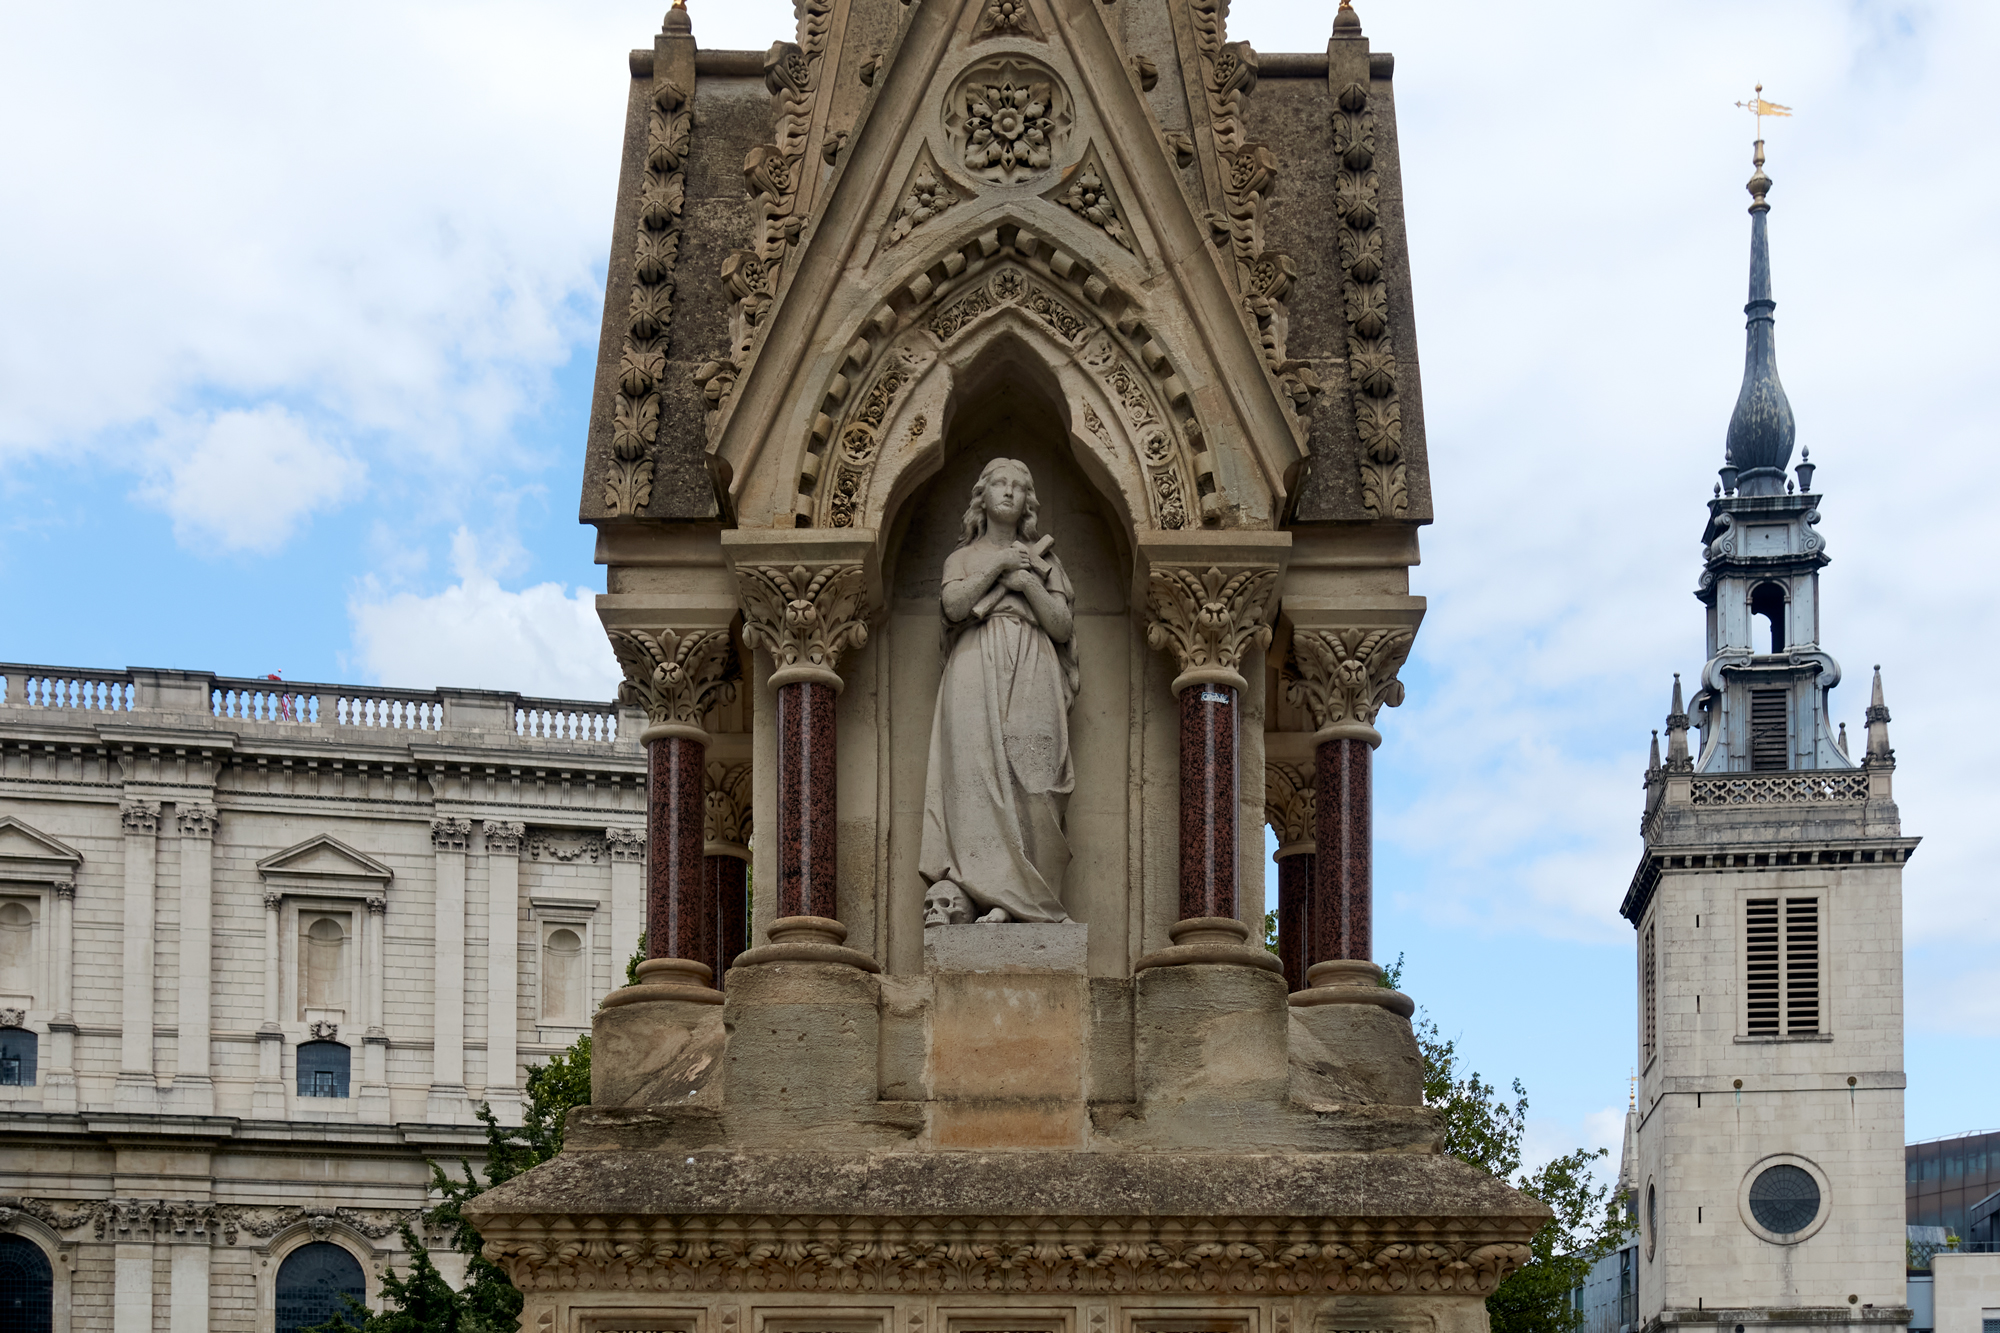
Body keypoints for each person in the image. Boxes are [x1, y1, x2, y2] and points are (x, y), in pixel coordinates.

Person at [918, 458, 1079, 924]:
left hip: (1033, 666)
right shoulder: (963, 559)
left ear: (1029, 501)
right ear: (982, 497)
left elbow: (1062, 624)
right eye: (999, 484)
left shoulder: (1045, 561)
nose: (1008, 493)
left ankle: (1035, 902)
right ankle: (992, 899)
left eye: (1018, 486)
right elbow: (953, 606)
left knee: (1037, 777)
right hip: (974, 666)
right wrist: (999, 566)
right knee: (974, 779)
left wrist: (1027, 580)